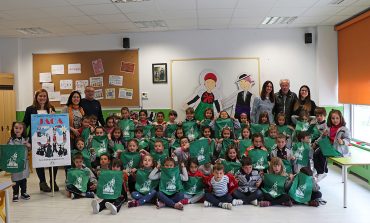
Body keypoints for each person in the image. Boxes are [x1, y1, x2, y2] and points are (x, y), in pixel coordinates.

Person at [23, 89, 58, 192]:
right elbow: (25, 125)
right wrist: (26, 140)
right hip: (36, 139)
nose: (42, 98)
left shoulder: (51, 108)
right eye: (40, 96)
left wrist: (54, 116)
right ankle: (42, 182)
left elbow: (55, 123)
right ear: (36, 97)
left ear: (47, 98)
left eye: (44, 96)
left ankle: (53, 181)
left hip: (50, 139)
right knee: (40, 161)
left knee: (54, 160)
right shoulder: (30, 109)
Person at [8, 122, 32, 201]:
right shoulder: (11, 140)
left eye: (20, 128)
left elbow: (29, 149)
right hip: (15, 163)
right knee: (15, 180)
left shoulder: (25, 139)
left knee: (23, 179)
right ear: (13, 129)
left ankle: (23, 193)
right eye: (16, 128)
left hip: (24, 163)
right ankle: (15, 194)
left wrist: (28, 145)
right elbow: (8, 149)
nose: (17, 129)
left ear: (23, 130)